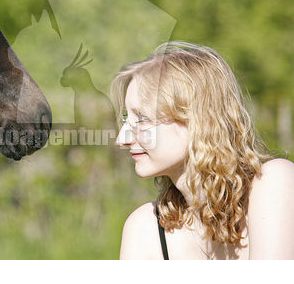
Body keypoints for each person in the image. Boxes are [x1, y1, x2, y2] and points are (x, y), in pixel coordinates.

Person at [111, 41, 294, 259]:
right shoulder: (145, 228)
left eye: (141, 119)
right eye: (126, 119)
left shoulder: (273, 183)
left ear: (199, 119)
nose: (122, 139)